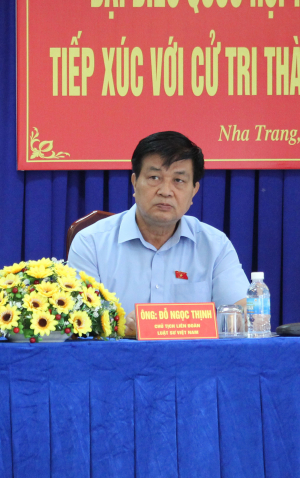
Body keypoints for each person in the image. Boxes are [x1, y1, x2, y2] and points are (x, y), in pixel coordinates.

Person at [67, 131, 249, 334]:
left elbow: (244, 312)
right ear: (134, 182)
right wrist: (120, 328)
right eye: (154, 177)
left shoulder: (214, 245)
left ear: (194, 191)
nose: (165, 190)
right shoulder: (91, 242)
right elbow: (77, 319)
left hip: (194, 362)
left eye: (178, 180)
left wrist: (166, 326)